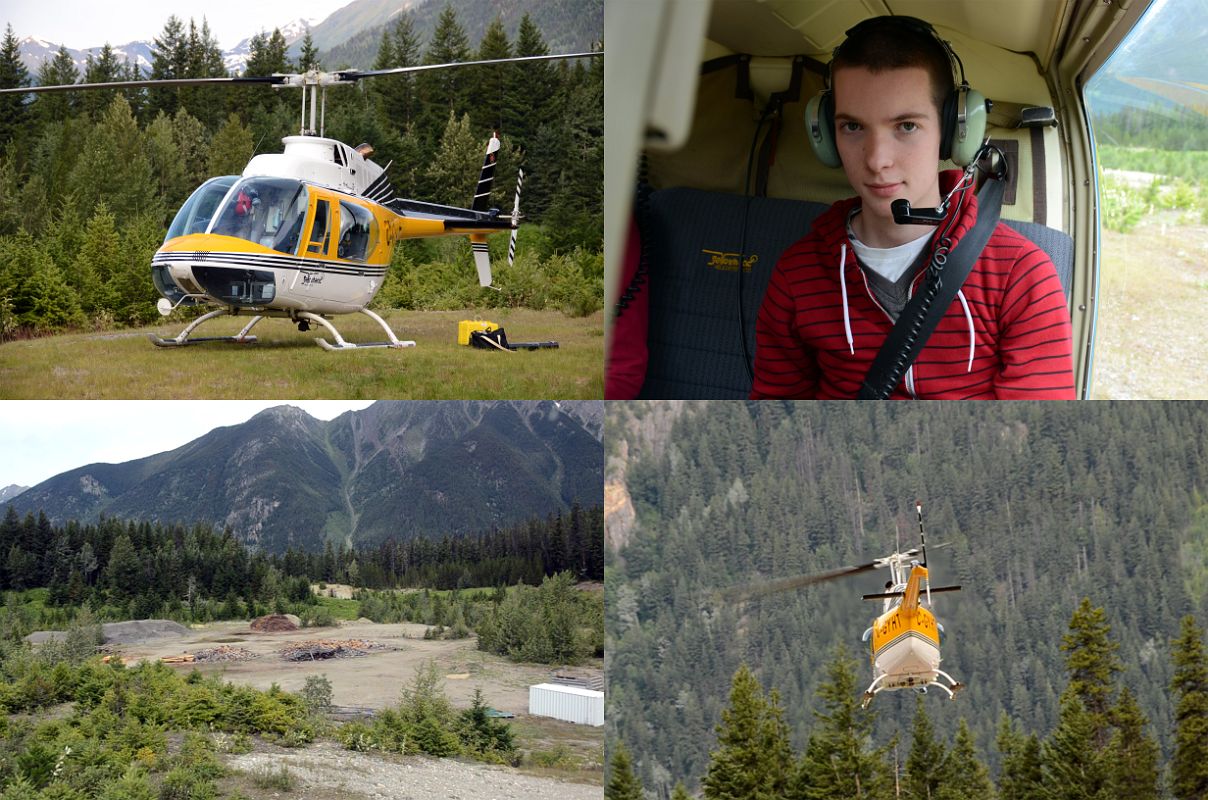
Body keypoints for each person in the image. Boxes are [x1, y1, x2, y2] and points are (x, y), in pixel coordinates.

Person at [751, 16, 1075, 399]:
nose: (876, 160)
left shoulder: (1021, 276)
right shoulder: (796, 275)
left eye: (906, 126)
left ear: (953, 134)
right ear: (826, 134)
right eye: (852, 127)